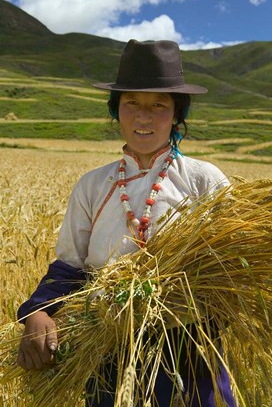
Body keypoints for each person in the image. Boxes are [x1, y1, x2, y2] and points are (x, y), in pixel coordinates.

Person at [17, 39, 236, 407]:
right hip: (109, 352)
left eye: (159, 105)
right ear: (116, 110)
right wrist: (37, 312)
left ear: (176, 114)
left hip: (190, 352)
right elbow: (69, 266)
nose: (144, 117)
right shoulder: (93, 185)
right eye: (132, 103)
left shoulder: (204, 180)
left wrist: (188, 315)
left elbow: (231, 271)